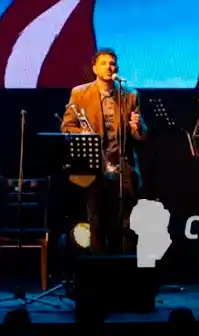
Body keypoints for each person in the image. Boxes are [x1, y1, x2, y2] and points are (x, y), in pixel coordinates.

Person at [61, 49, 147, 254]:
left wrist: (137, 127)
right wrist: (82, 133)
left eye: (113, 63)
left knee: (127, 221)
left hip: (122, 165)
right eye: (105, 63)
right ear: (94, 68)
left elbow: (141, 135)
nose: (110, 67)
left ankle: (126, 268)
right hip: (94, 166)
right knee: (96, 220)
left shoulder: (130, 95)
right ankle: (99, 272)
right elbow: (66, 126)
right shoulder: (80, 93)